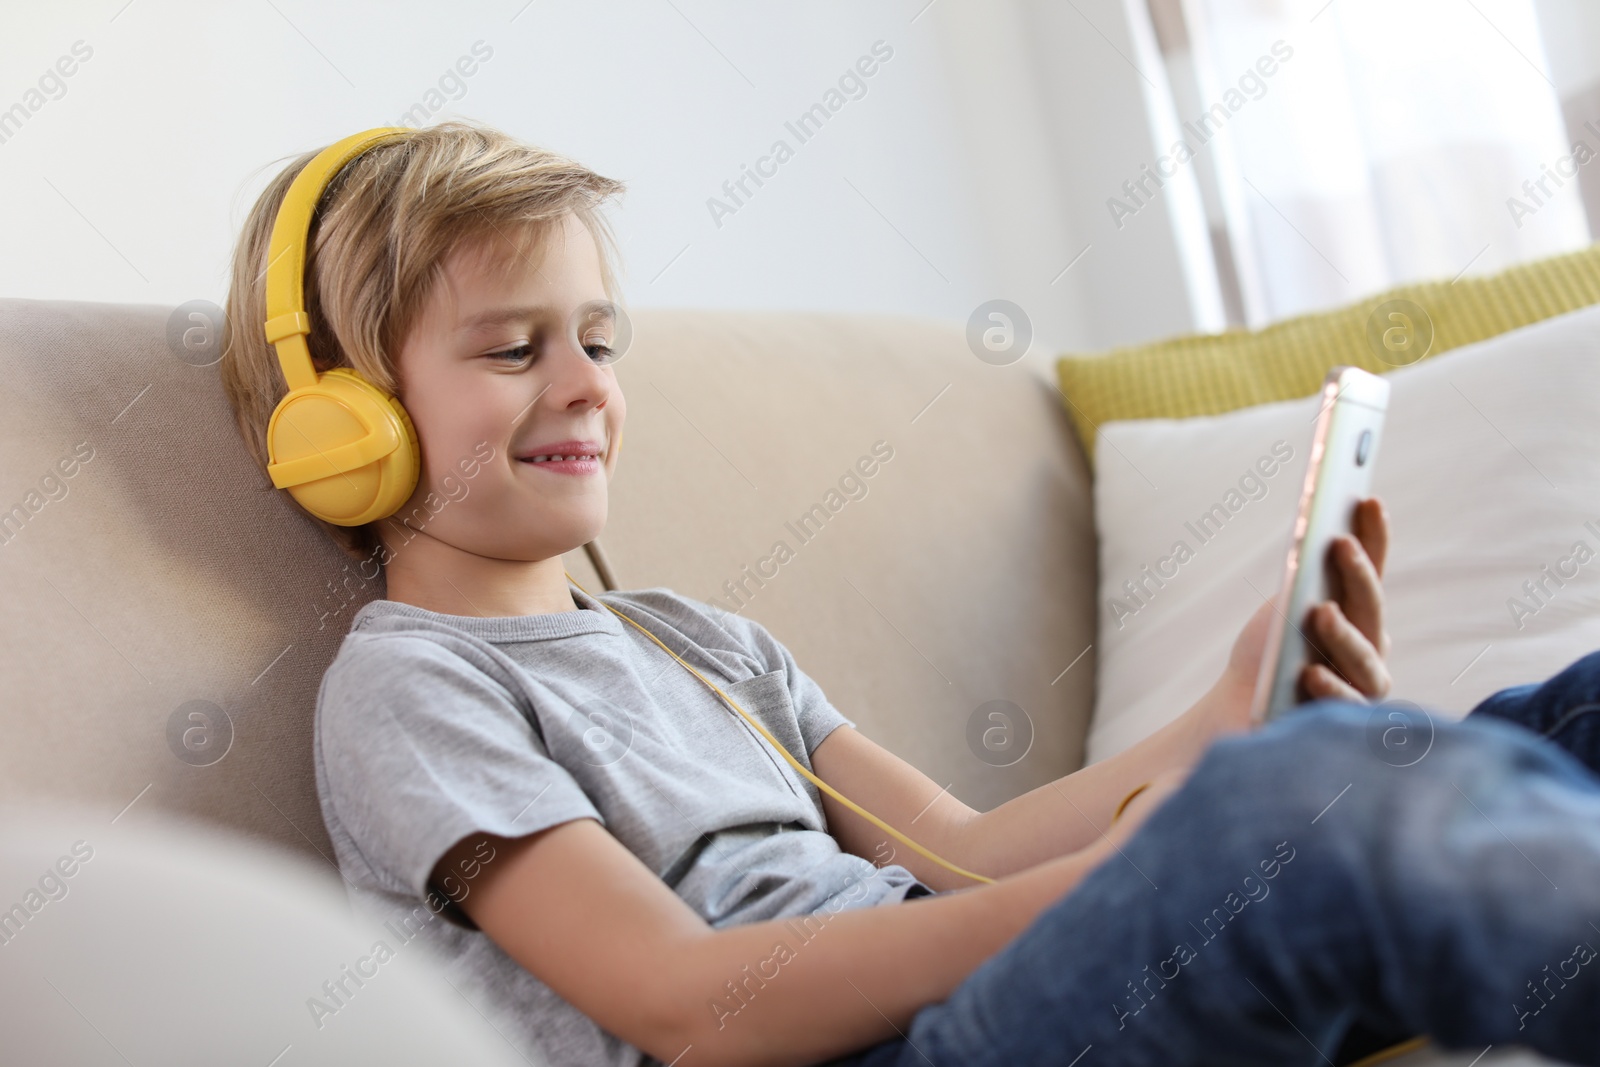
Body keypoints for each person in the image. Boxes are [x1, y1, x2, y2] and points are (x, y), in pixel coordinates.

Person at [219, 120, 1600, 1067]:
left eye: (596, 338)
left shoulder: (691, 640)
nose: (584, 383)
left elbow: (965, 851)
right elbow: (692, 1007)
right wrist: (1128, 877)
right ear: (348, 426)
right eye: (516, 348)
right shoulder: (412, 688)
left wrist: (1224, 715)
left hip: (981, 988)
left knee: (1532, 724)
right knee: (1300, 814)